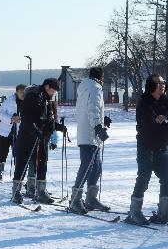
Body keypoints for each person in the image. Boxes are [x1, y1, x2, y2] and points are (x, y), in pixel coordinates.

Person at [125, 74, 168, 225]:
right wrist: (162, 121)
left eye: (163, 82)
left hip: (162, 147)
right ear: (151, 85)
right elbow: (148, 124)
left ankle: (163, 212)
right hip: (146, 148)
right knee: (143, 179)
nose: (162, 85)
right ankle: (134, 212)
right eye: (158, 83)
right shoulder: (144, 103)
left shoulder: (164, 101)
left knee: (167, 179)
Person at [11, 78, 66, 204]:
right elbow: (26, 117)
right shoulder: (33, 95)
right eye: (52, 90)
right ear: (46, 86)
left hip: (42, 137)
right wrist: (35, 131)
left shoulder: (48, 98)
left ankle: (41, 191)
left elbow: (49, 118)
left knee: (42, 163)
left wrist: (57, 127)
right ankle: (16, 191)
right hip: (27, 136)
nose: (53, 93)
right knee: (22, 163)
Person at [69, 67, 112, 215]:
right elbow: (92, 108)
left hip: (88, 132)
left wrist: (102, 119)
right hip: (90, 133)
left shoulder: (85, 87)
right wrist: (98, 126)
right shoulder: (95, 87)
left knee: (96, 167)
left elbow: (88, 108)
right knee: (87, 166)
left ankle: (91, 199)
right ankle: (75, 199)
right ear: (101, 77)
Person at [0, 85, 25, 183]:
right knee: (2, 152)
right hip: (6, 131)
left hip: (19, 132)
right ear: (16, 92)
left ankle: (18, 174)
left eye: (24, 92)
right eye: (21, 92)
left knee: (18, 153)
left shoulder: (27, 102)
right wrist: (10, 119)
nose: (23, 94)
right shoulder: (9, 100)